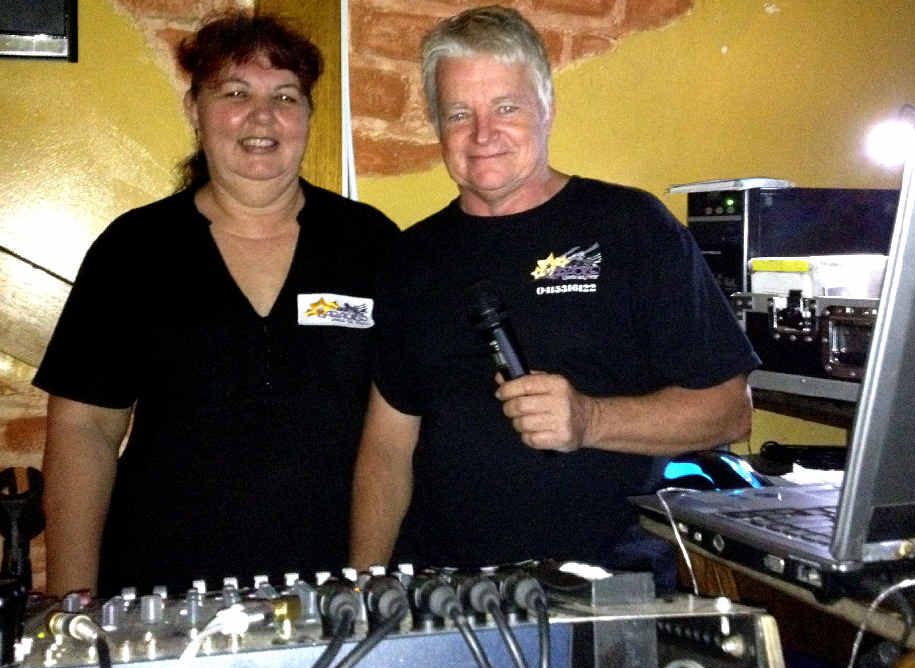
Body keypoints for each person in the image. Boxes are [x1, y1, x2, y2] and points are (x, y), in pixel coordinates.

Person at [349, 5, 760, 583]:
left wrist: (589, 420)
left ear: (546, 109)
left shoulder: (631, 226)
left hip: (608, 590)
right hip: (447, 595)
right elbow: (388, 449)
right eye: (459, 112)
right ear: (438, 125)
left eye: (506, 107)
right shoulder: (410, 257)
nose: (482, 134)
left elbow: (729, 410)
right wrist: (363, 590)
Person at [34, 12, 399, 597]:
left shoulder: (370, 244)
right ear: (194, 111)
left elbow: (397, 429)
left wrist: (367, 582)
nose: (262, 115)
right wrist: (72, 603)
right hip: (162, 591)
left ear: (307, 115)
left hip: (333, 589)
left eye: (285, 95)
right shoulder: (135, 249)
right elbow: (85, 430)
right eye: (234, 92)